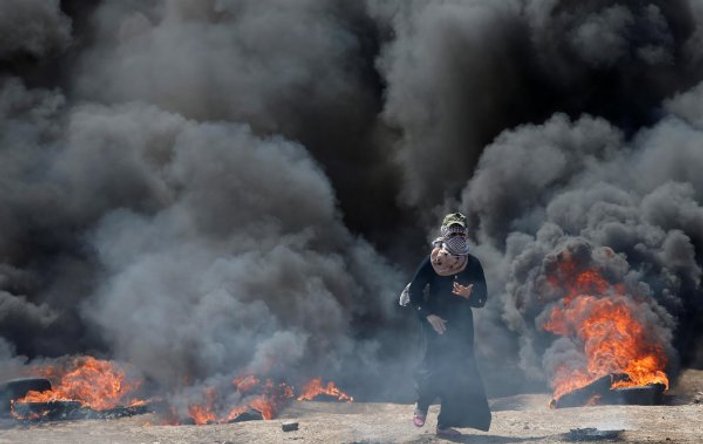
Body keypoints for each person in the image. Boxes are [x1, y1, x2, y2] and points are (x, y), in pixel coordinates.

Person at [407, 212, 491, 437]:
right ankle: (422, 405)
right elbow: (414, 292)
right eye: (451, 231)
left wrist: (468, 296)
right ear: (444, 233)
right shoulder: (433, 261)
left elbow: (481, 300)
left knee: (458, 372)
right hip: (433, 322)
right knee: (433, 367)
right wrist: (428, 316)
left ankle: (444, 425)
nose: (456, 235)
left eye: (459, 231)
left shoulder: (472, 264)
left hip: (461, 326)